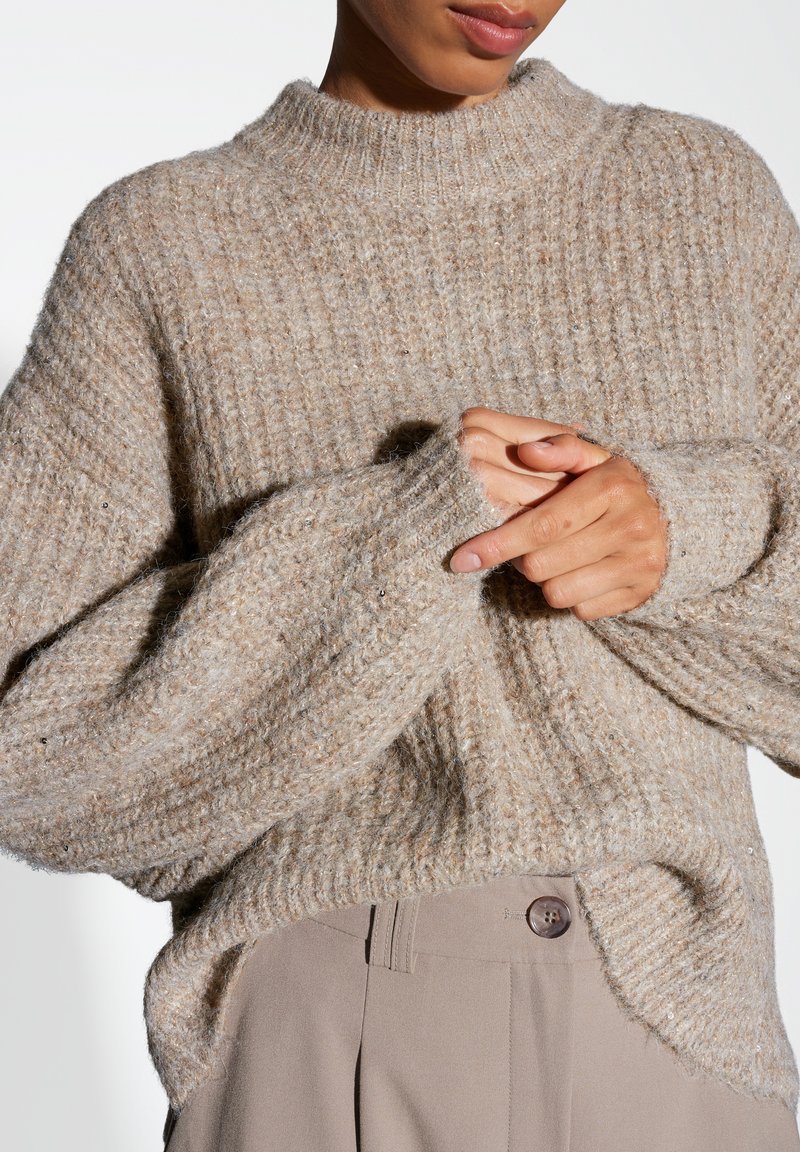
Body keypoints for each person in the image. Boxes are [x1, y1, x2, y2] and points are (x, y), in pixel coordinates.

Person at [2, 1, 799, 1149]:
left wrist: (692, 529)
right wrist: (395, 538)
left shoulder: (699, 197)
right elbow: (27, 761)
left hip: (674, 1031)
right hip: (319, 1022)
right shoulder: (167, 243)